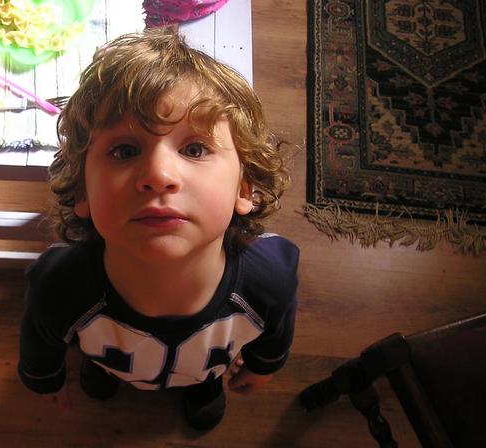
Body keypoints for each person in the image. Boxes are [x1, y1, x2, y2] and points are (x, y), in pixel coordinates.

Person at [18, 27, 299, 431]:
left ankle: (203, 388)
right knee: (99, 370)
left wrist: (264, 364)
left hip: (207, 366)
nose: (158, 175)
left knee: (204, 380)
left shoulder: (270, 277)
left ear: (244, 188)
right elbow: (40, 339)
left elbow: (278, 329)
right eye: (124, 151)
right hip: (109, 355)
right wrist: (44, 378)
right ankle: (101, 370)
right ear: (82, 191)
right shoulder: (58, 283)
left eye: (194, 149)